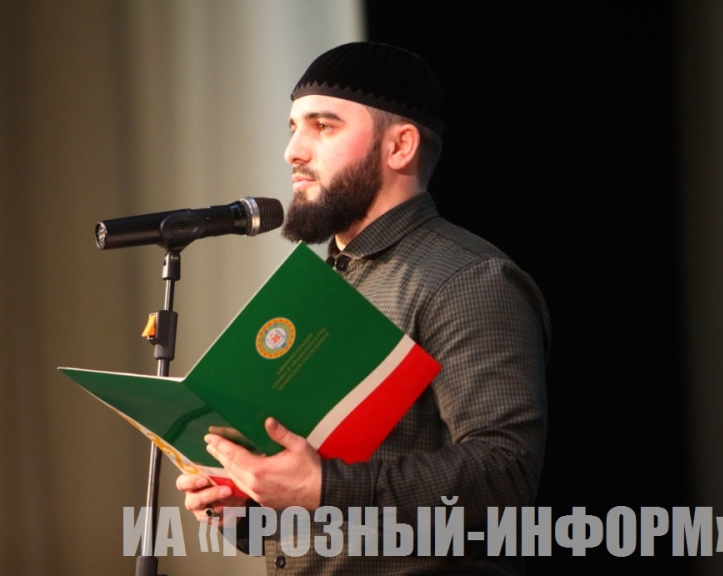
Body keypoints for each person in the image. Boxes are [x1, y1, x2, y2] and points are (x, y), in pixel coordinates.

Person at [177, 41, 550, 575]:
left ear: (400, 146)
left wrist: (325, 487)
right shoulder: (326, 282)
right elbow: (324, 515)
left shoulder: (469, 279)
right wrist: (249, 505)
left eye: (323, 127)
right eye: (293, 127)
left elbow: (505, 474)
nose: (293, 151)